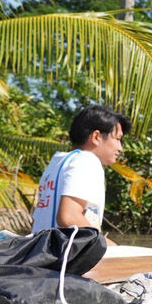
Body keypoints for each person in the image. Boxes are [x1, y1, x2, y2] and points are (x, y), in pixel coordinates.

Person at [31, 104, 131, 245]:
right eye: (118, 139)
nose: (120, 148)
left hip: (39, 251)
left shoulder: (57, 163)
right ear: (96, 137)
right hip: (61, 258)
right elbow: (69, 217)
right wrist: (110, 246)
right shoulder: (87, 160)